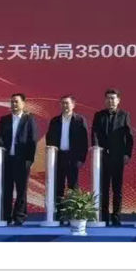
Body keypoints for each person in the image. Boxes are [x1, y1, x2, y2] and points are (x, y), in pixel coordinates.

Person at [92, 88, 134, 226]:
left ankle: (116, 217)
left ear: (118, 100)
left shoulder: (125, 115)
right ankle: (104, 217)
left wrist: (127, 153)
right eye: (108, 98)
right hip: (103, 156)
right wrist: (96, 149)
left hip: (118, 157)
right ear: (105, 100)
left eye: (113, 98)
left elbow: (129, 136)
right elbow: (95, 133)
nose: (110, 101)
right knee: (103, 188)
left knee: (117, 189)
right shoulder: (99, 115)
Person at [0, 93, 38, 226]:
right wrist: (2, 146)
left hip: (22, 160)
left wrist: (30, 159)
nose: (13, 104)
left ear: (23, 103)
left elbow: (32, 140)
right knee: (6, 189)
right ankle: (6, 216)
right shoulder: (4, 119)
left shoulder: (29, 119)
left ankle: (19, 216)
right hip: (7, 160)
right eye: (12, 101)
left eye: (16, 102)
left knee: (21, 190)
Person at [46, 94, 89, 223]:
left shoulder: (79, 120)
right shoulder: (55, 121)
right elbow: (49, 138)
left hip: (73, 158)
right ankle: (59, 215)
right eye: (63, 103)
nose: (65, 105)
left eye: (67, 103)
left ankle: (73, 214)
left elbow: (84, 141)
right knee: (58, 187)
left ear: (73, 105)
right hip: (58, 157)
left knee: (73, 187)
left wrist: (81, 159)